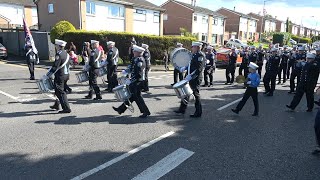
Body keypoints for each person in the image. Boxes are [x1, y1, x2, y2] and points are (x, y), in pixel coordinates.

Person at [112, 45, 151, 118]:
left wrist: (131, 80)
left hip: (138, 82)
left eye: (134, 51)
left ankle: (146, 112)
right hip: (135, 81)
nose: (133, 52)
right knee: (132, 96)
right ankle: (120, 109)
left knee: (138, 97)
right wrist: (125, 72)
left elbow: (138, 73)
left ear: (138, 52)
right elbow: (131, 68)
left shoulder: (140, 60)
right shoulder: (135, 59)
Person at [174, 42, 204, 118]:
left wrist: (191, 76)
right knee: (185, 93)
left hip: (195, 78)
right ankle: (182, 109)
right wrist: (185, 68)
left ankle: (198, 112)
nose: (192, 48)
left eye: (193, 47)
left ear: (197, 47)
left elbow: (199, 69)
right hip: (189, 76)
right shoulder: (193, 54)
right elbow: (190, 64)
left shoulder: (200, 56)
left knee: (196, 94)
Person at [46, 39, 71, 113]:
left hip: (60, 75)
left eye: (56, 45)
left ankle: (66, 108)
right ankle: (57, 104)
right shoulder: (66, 53)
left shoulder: (59, 54)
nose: (55, 46)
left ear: (58, 46)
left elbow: (55, 66)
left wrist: (48, 75)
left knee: (60, 92)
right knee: (57, 91)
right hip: (66, 74)